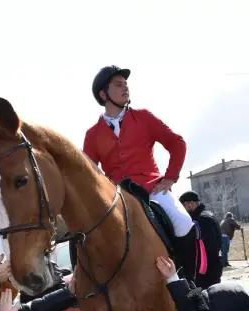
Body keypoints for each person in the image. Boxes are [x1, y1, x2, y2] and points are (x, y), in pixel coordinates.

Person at [84, 65, 196, 281]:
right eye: (118, 85)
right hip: (117, 197)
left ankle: (189, 284)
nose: (125, 88)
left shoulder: (144, 117)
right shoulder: (92, 134)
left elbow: (177, 143)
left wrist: (170, 177)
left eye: (126, 84)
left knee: (183, 223)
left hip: (152, 189)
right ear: (103, 94)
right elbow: (89, 172)